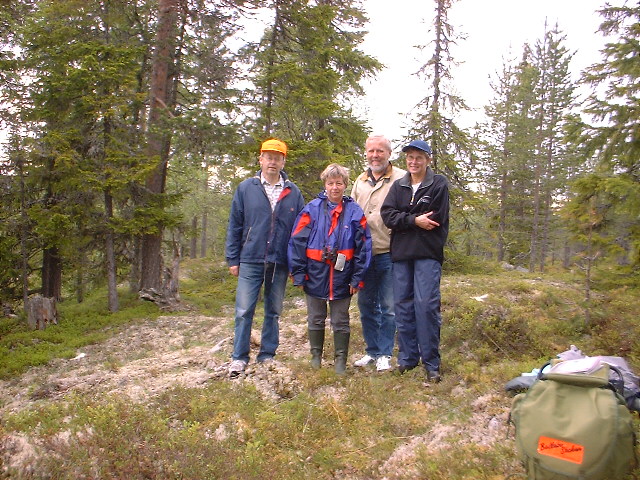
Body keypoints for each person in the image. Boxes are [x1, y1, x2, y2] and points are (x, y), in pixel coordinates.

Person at [225, 138, 305, 378]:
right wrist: (233, 258)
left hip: (279, 262)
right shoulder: (246, 188)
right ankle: (239, 358)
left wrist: (295, 263)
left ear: (283, 161)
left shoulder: (293, 192)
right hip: (250, 259)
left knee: (273, 311)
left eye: (277, 157)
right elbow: (235, 224)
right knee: (243, 311)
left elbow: (299, 232)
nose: (273, 161)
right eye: (268, 157)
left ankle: (267, 355)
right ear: (260, 159)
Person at [288, 163, 372, 375]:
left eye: (339, 183)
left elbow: (364, 247)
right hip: (315, 275)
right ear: (325, 184)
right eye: (330, 183)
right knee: (315, 317)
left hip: (343, 277)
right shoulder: (311, 209)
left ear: (345, 185)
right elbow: (297, 241)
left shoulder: (355, 212)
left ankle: (340, 361)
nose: (335, 187)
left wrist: (357, 279)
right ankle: (316, 356)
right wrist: (298, 273)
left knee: (340, 320)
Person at [380, 140, 449, 383]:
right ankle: (408, 359)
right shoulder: (399, 186)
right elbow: (387, 215)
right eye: (410, 157)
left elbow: (436, 218)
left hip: (427, 255)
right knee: (403, 307)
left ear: (428, 159)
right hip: (401, 255)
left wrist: (405, 220)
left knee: (426, 306)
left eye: (419, 157)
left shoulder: (438, 184)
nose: (413, 161)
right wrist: (414, 221)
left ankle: (431, 363)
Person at [350, 135, 406, 372]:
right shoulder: (359, 181)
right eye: (371, 151)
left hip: (390, 251)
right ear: (366, 153)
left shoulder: (402, 178)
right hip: (363, 255)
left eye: (380, 151)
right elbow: (350, 214)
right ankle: (371, 351)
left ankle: (385, 353)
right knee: (366, 305)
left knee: (389, 306)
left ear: (389, 153)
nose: (375, 155)